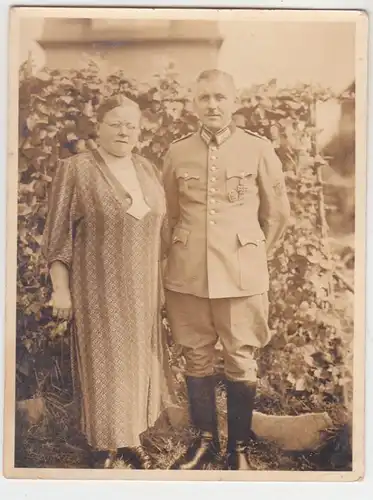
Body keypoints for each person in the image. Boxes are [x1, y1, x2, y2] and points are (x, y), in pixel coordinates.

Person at [162, 69, 291, 471]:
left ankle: (238, 449)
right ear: (193, 104)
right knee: (196, 357)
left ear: (234, 102)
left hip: (240, 276)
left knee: (241, 358)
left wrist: (252, 256)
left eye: (220, 97)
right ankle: (203, 445)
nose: (212, 105)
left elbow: (278, 216)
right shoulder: (177, 152)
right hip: (188, 274)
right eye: (204, 98)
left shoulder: (257, 150)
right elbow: (170, 215)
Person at [42, 94, 176, 469]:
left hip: (144, 289)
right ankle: (104, 448)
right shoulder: (77, 169)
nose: (124, 131)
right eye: (115, 123)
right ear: (97, 127)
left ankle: (131, 440)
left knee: (137, 363)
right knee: (104, 364)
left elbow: (160, 233)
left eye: (131, 125)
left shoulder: (147, 169)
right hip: (97, 287)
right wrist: (61, 289)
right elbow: (57, 237)